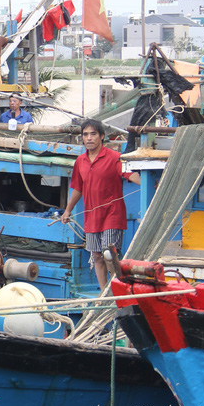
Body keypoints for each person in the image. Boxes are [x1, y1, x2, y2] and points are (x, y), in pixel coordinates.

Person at [61, 119, 140, 288]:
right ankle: (104, 292)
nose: (89, 138)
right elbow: (77, 188)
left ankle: (117, 287)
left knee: (109, 253)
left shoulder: (115, 157)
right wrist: (67, 211)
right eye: (85, 135)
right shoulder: (80, 161)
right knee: (96, 255)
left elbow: (130, 175)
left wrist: (152, 183)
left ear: (102, 136)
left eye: (93, 134)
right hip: (91, 216)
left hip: (112, 214)